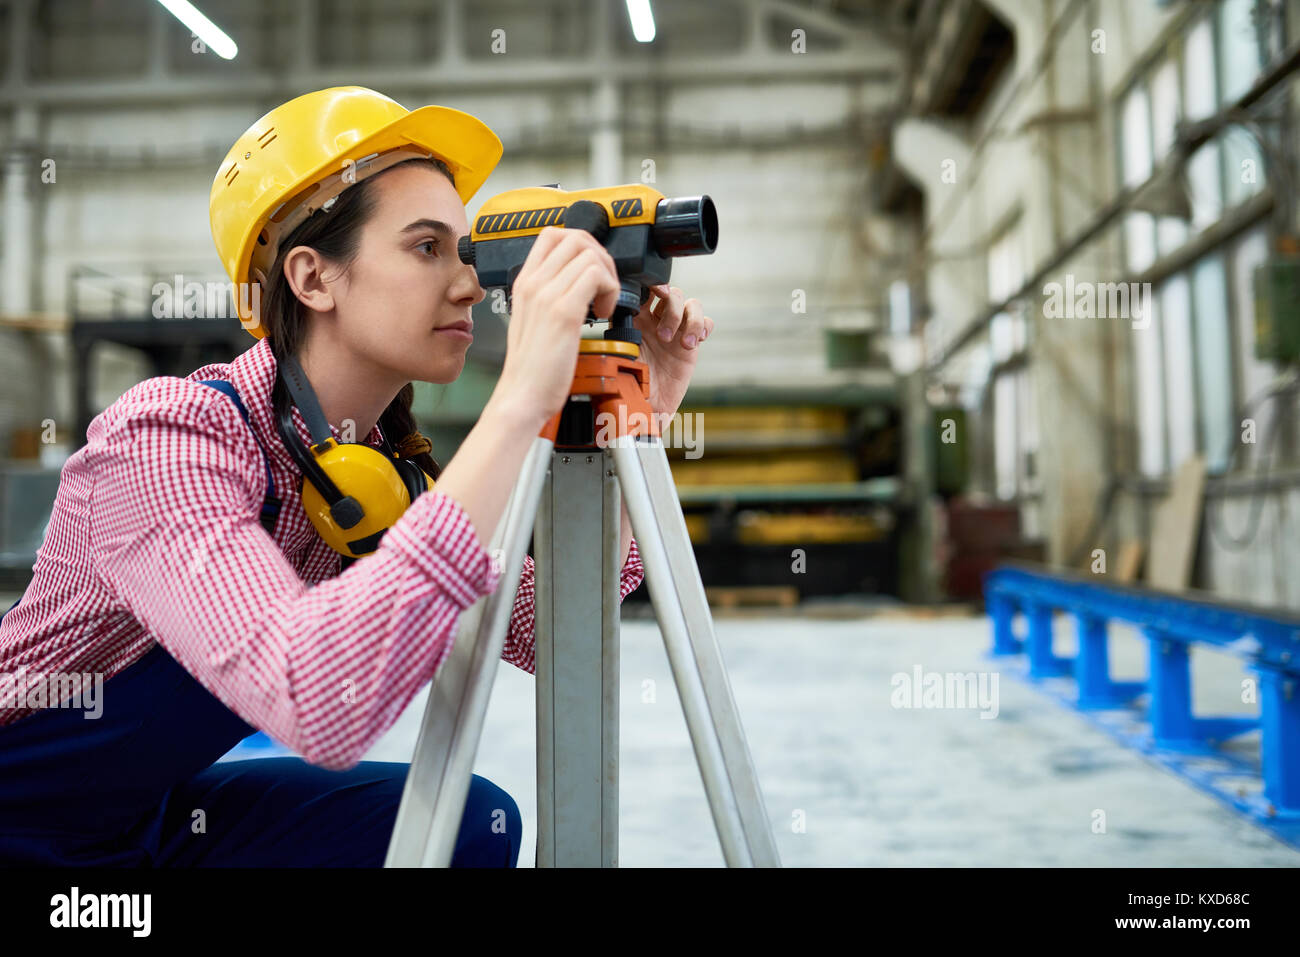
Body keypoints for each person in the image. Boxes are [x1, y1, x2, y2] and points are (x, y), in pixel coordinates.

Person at [0, 86, 713, 867]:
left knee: (472, 823)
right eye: (425, 247)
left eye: (465, 250)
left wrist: (645, 399)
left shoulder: (363, 476)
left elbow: (551, 632)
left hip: (143, 823)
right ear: (312, 277)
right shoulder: (169, 438)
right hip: (19, 824)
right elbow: (314, 700)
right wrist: (517, 402)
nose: (471, 284)